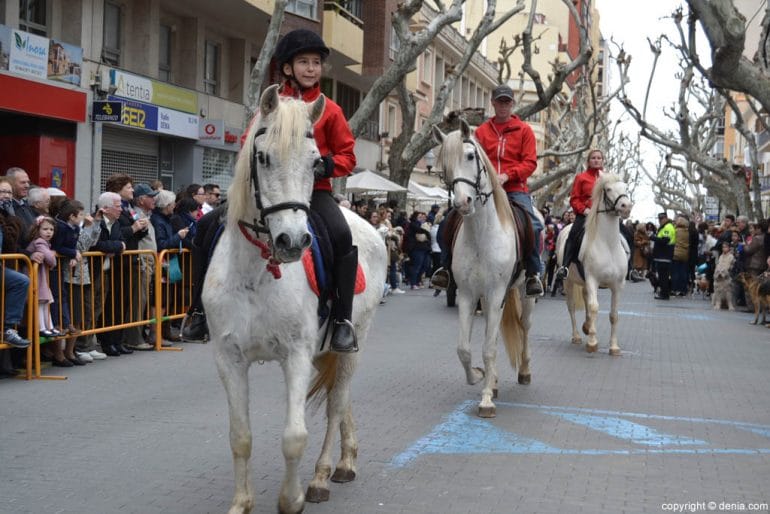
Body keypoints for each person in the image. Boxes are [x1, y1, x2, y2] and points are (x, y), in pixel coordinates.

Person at [270, 28, 358, 352]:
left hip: (314, 191)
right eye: (303, 62)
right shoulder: (272, 105)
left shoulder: (330, 110)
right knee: (212, 226)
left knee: (342, 235)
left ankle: (343, 321)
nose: (311, 68)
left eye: (316, 62)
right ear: (288, 68)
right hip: (273, 193)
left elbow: (348, 155)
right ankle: (199, 310)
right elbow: (249, 144)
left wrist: (328, 165)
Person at [474, 84, 543, 296]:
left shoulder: (524, 131)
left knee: (533, 225)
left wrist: (507, 175)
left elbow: (530, 163)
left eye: (507, 102)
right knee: (452, 220)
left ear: (512, 104)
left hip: (515, 189)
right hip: (486, 189)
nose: (503, 106)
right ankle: (447, 269)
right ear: (493, 103)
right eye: (499, 102)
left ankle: (532, 273)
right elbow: (475, 160)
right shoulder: (481, 131)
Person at [556, 149, 605, 281]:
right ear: (588, 161)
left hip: (603, 216)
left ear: (602, 161)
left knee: (625, 235)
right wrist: (584, 210)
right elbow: (574, 199)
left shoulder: (606, 178)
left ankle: (629, 268)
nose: (596, 160)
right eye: (593, 158)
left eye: (599, 158)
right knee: (572, 236)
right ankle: (564, 267)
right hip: (585, 215)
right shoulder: (581, 177)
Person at [650, 212, 676, 300]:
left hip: (664, 256)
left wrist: (653, 237)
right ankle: (664, 293)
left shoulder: (667, 227)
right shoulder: (666, 226)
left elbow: (665, 240)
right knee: (662, 276)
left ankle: (664, 294)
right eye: (659, 219)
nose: (660, 221)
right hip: (662, 256)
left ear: (666, 218)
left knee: (663, 277)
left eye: (661, 219)